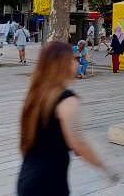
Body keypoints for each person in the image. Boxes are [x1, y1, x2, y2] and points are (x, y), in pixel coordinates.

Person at [17, 41, 118, 195]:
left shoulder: (36, 95)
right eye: (72, 59)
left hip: (27, 177)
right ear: (61, 64)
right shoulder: (66, 98)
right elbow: (78, 143)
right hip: (49, 181)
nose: (76, 63)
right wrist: (104, 167)